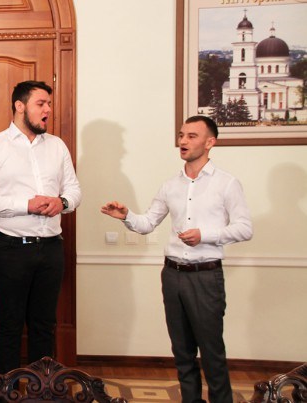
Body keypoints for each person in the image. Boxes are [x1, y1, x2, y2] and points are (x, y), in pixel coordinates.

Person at [101, 115, 253, 403]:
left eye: (191, 136)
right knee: (182, 354)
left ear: (210, 142)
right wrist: (126, 216)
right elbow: (148, 223)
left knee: (212, 355)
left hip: (206, 277)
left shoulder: (227, 184)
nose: (182, 141)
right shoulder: (170, 185)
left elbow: (245, 228)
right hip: (172, 276)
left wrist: (205, 235)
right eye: (181, 135)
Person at [0, 80, 82, 375]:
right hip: (9, 250)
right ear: (20, 106)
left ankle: (41, 391)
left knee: (44, 325)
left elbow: (74, 190)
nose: (48, 110)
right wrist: (26, 205)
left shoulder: (57, 146)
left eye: (49, 104)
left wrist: (62, 202)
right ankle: (4, 392)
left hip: (51, 249)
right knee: (9, 325)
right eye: (41, 104)